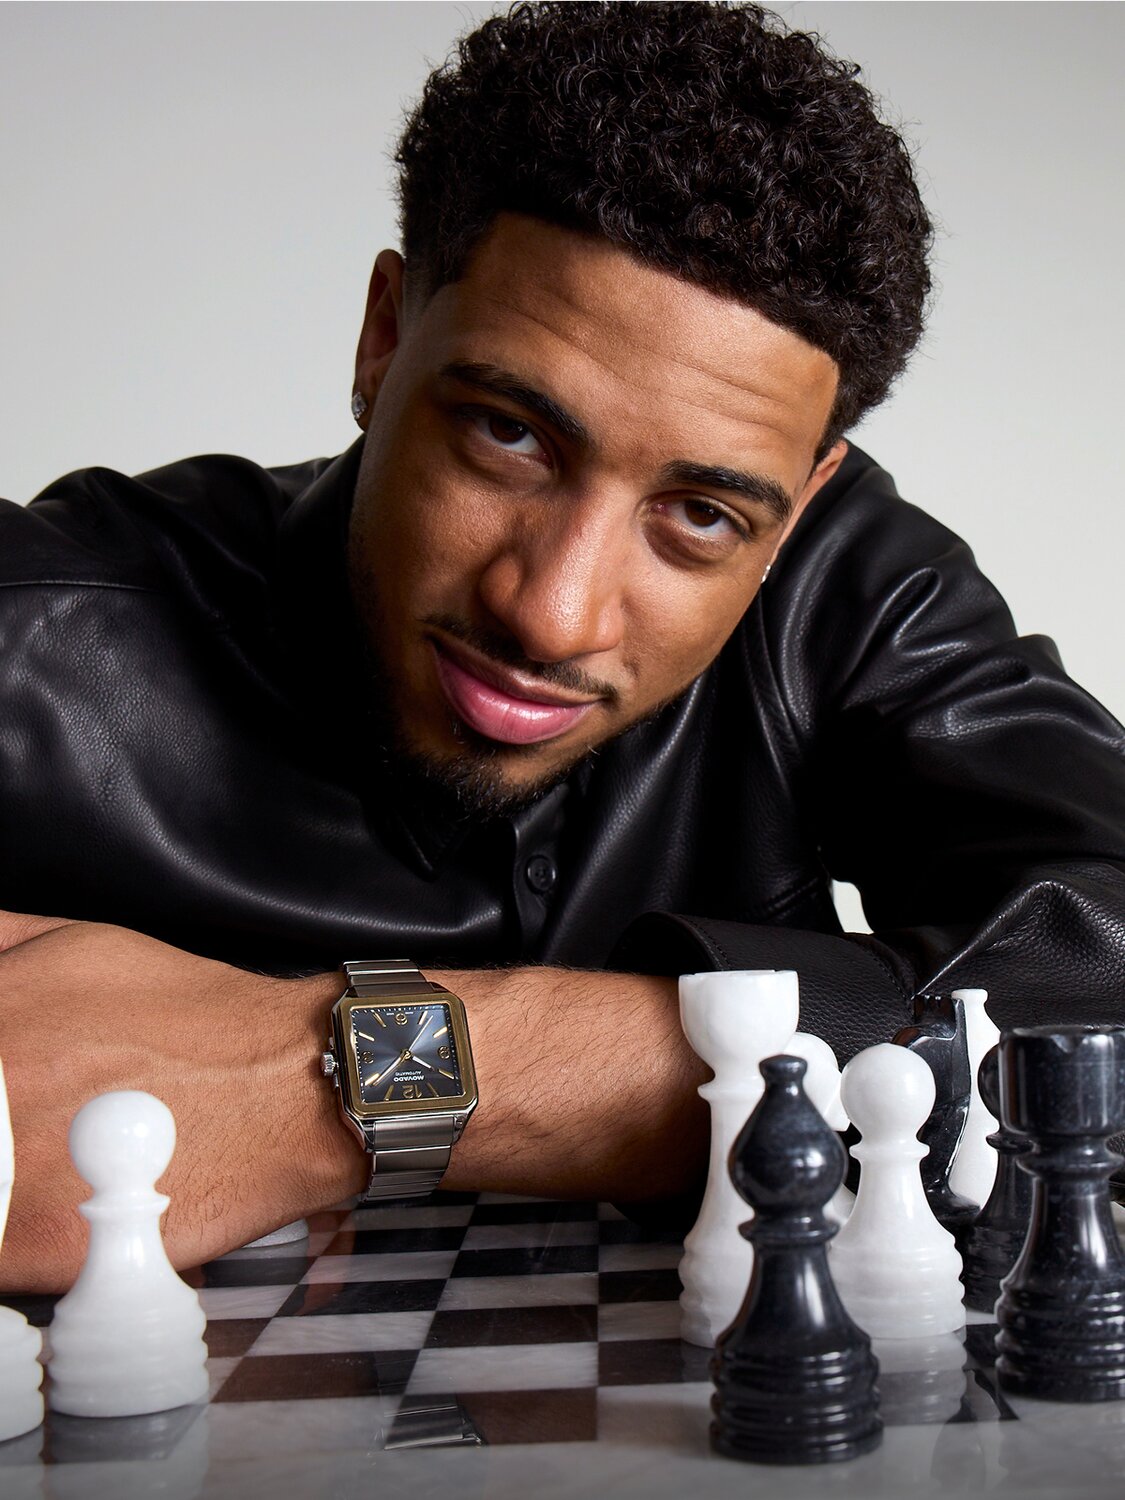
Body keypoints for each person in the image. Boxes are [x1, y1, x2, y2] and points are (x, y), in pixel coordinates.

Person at [1, 1, 1122, 1293]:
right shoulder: (34, 631)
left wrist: (340, 1075)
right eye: (509, 437)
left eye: (700, 516)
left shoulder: (838, 593)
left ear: (800, 505)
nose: (554, 615)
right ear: (382, 337)